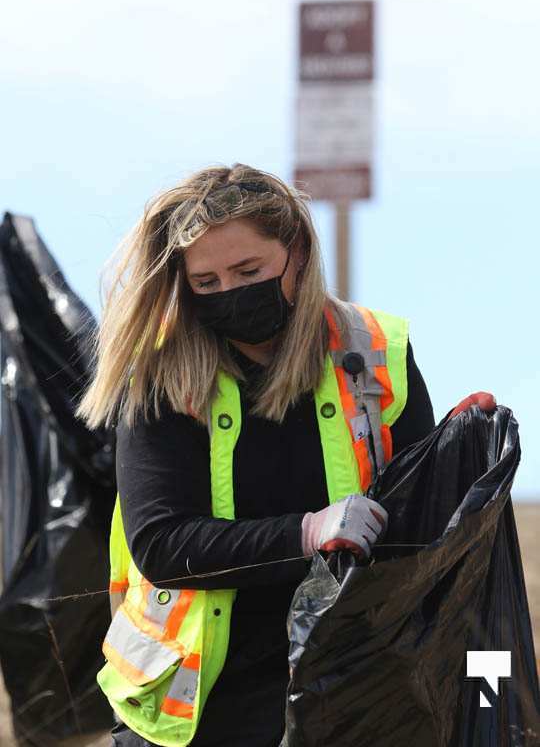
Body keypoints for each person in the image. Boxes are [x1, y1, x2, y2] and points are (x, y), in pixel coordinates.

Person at [76, 163, 496, 747]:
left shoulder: (376, 353)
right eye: (207, 283)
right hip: (195, 707)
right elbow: (163, 545)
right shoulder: (159, 376)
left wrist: (463, 454)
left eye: (248, 270)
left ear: (297, 252)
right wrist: (307, 533)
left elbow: (426, 536)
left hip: (348, 690)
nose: (230, 293)